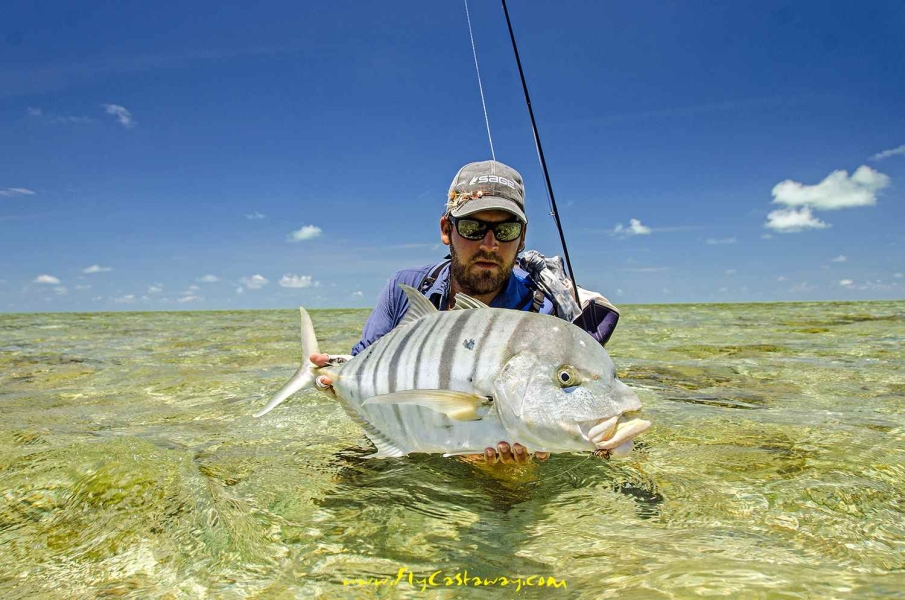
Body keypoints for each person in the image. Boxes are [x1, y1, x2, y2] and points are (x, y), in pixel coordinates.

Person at [311, 160, 618, 465]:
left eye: (506, 230)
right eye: (473, 228)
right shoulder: (405, 287)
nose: (490, 245)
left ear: (522, 237)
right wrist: (335, 376)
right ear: (447, 229)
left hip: (492, 451)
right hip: (402, 435)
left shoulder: (543, 318)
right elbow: (363, 362)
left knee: (513, 488)